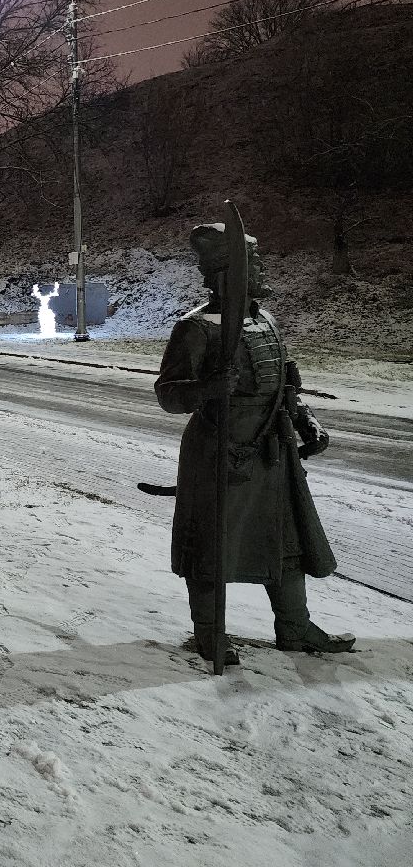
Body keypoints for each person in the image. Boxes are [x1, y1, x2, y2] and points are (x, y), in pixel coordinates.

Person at [155, 223, 355, 664]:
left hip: (270, 448)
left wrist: (307, 423)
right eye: (252, 263)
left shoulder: (265, 319)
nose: (262, 269)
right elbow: (168, 394)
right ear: (225, 272)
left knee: (285, 540)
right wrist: (208, 387)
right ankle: (210, 632)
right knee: (211, 545)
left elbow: (284, 387)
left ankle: (295, 627)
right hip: (220, 453)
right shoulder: (196, 329)